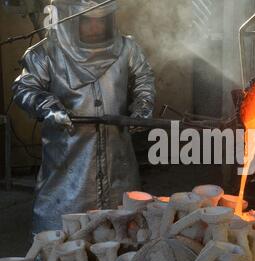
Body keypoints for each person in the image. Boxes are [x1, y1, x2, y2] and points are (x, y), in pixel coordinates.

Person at [12, 0, 156, 235]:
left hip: (118, 164)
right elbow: (24, 89)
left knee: (124, 233)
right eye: (88, 20)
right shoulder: (45, 53)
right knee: (61, 240)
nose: (96, 27)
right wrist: (49, 107)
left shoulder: (127, 48)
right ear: (70, 18)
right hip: (68, 170)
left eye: (102, 19)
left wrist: (142, 107)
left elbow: (143, 78)